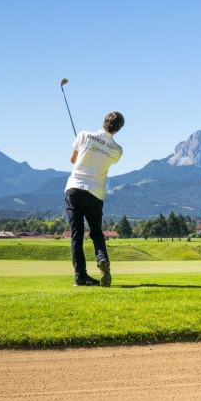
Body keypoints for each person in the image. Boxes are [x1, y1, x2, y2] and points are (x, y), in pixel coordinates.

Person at [65, 111, 124, 287]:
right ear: (118, 129)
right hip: (95, 194)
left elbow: (72, 160)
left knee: (76, 235)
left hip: (74, 189)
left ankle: (80, 276)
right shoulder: (117, 150)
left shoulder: (83, 135)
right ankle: (102, 258)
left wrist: (81, 149)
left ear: (104, 121)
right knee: (96, 233)